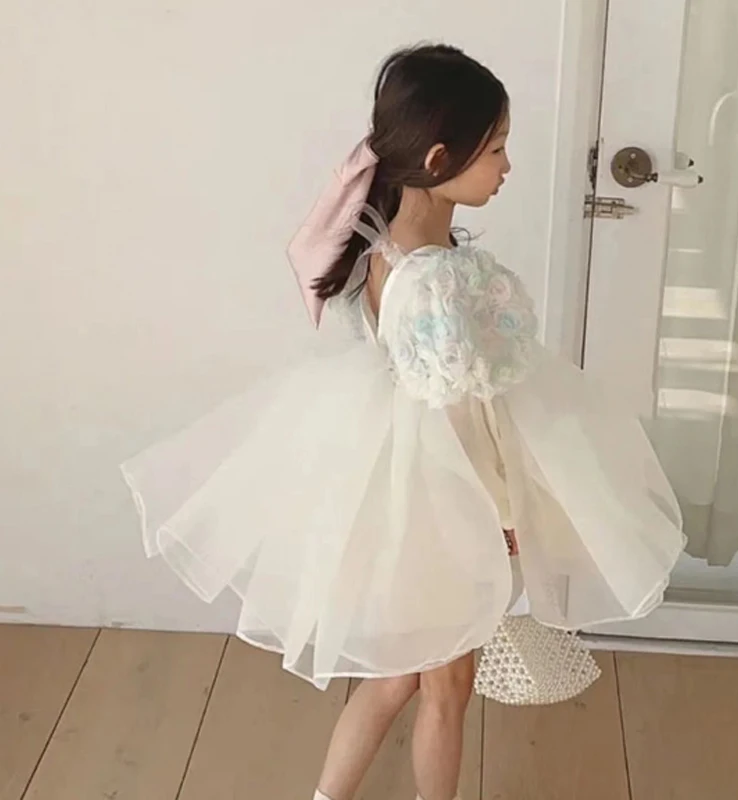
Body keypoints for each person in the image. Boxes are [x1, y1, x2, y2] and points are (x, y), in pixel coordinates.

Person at [121, 44, 685, 800]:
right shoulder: (432, 277)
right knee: (445, 687)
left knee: (396, 679)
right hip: (444, 500)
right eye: (496, 149)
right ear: (440, 157)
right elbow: (460, 414)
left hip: (404, 488)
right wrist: (505, 515)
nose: (508, 166)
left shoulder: (392, 246)